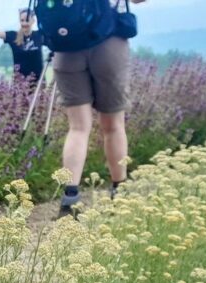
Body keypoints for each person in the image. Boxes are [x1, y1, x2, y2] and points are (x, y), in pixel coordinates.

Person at [54, 0, 145, 219]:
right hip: (108, 42)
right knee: (113, 126)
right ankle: (119, 191)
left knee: (77, 128)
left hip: (66, 46)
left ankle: (70, 198)